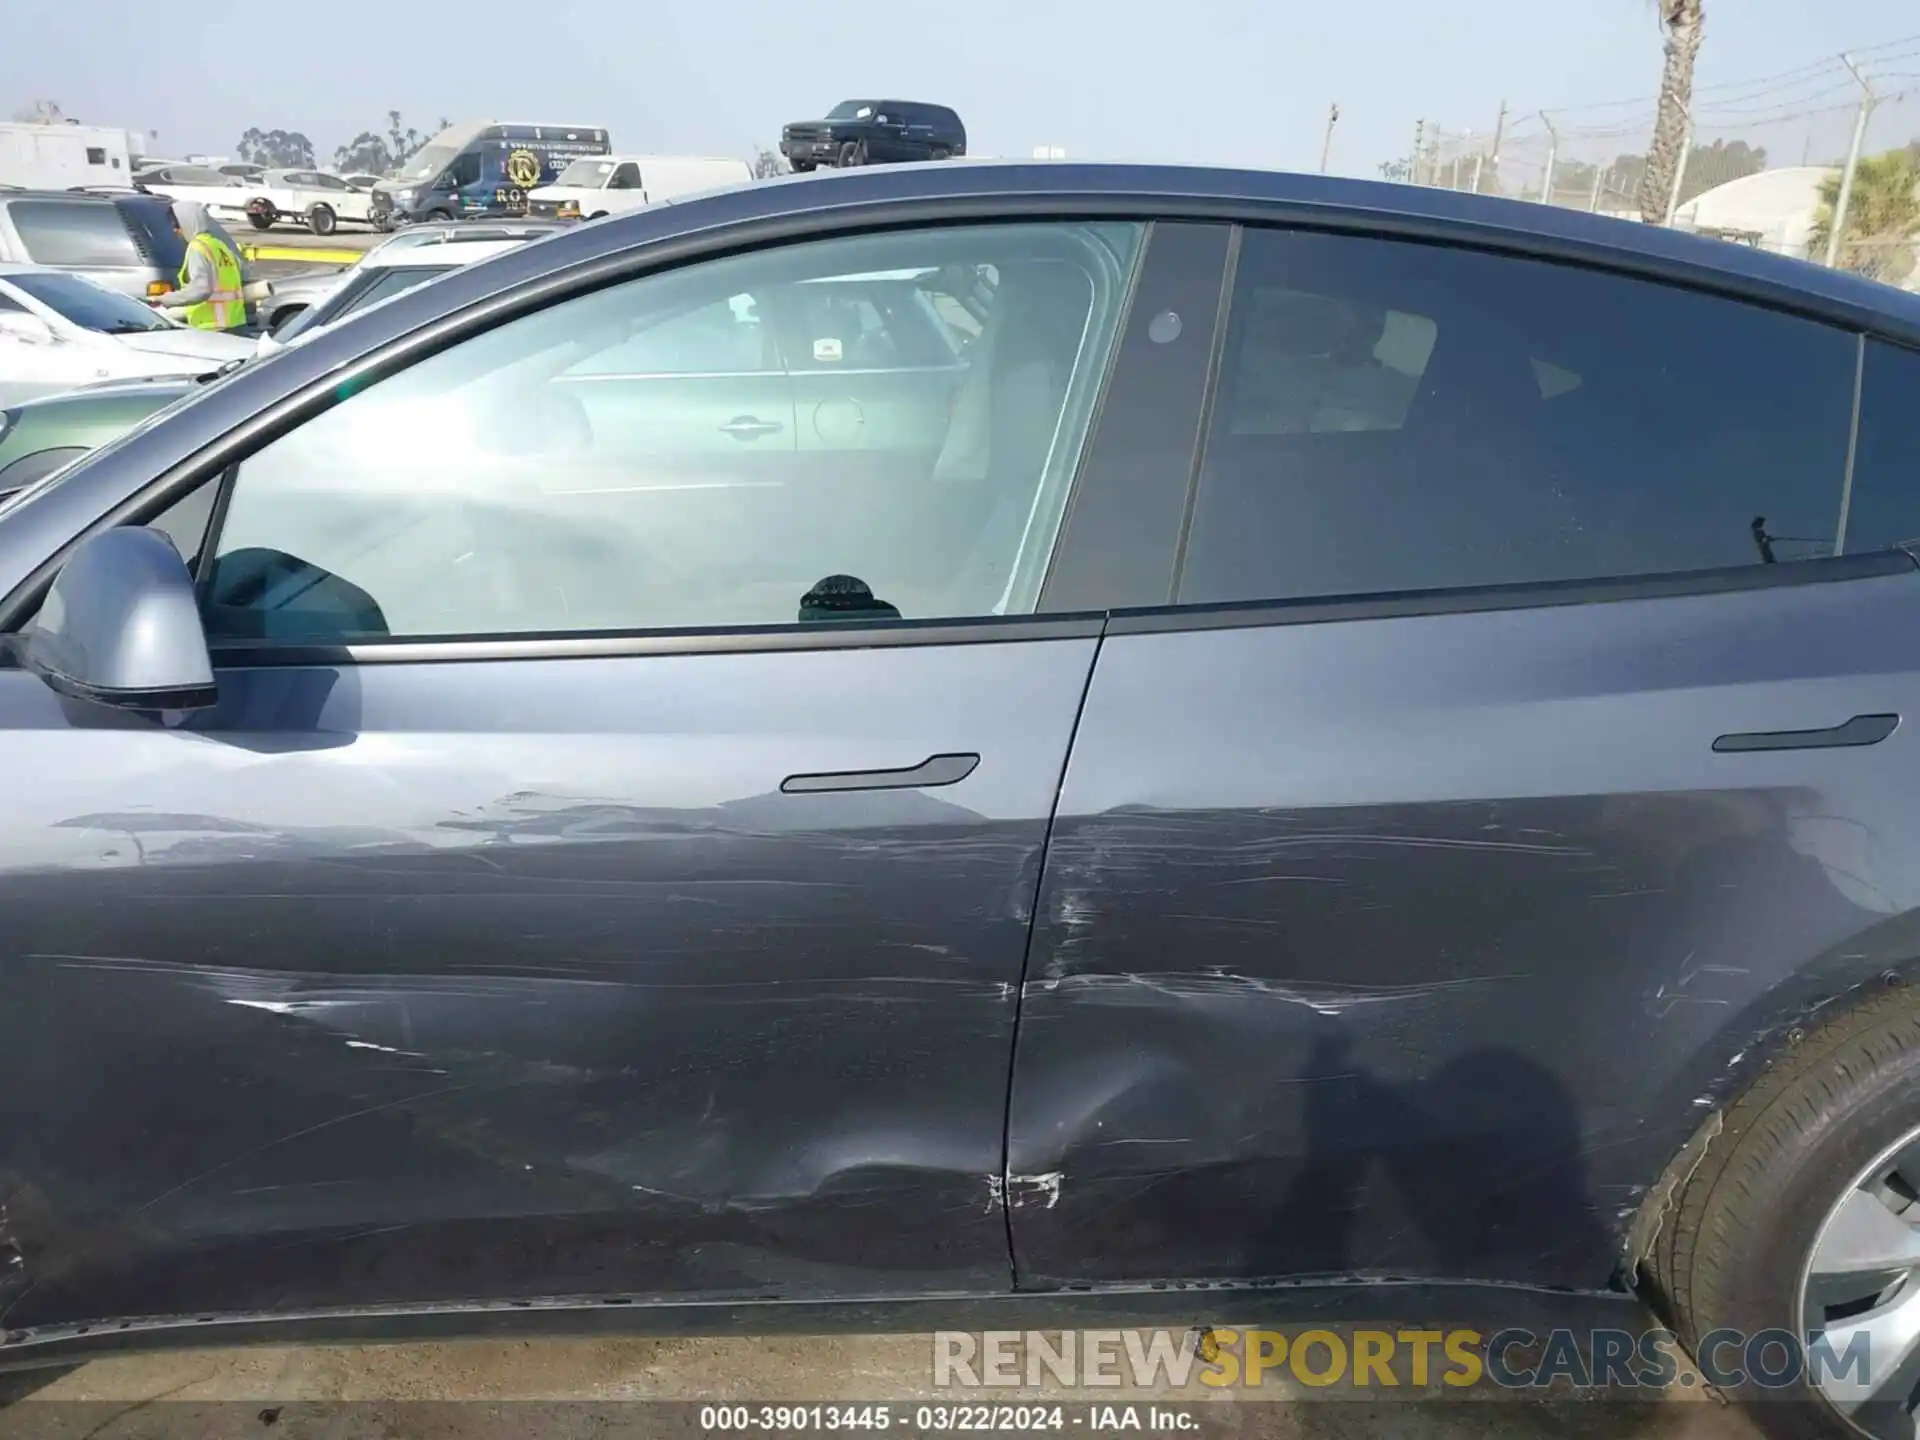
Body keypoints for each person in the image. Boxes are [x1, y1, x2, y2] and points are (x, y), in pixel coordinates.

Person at [156, 201, 251, 331]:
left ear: (188, 222)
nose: (175, 230)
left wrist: (165, 299)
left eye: (176, 225)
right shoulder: (219, 245)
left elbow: (200, 291)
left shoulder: (198, 248)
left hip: (212, 327)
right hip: (236, 323)